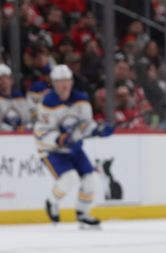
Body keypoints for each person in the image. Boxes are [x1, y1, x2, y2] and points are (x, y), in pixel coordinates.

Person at [34, 65, 114, 228]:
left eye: (66, 81)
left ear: (71, 82)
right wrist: (59, 139)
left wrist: (98, 130)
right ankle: (52, 202)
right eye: (59, 81)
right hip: (52, 150)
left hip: (75, 149)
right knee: (69, 178)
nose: (64, 85)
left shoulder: (81, 100)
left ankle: (83, 213)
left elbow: (85, 125)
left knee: (90, 179)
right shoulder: (47, 104)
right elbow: (41, 132)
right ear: (54, 83)